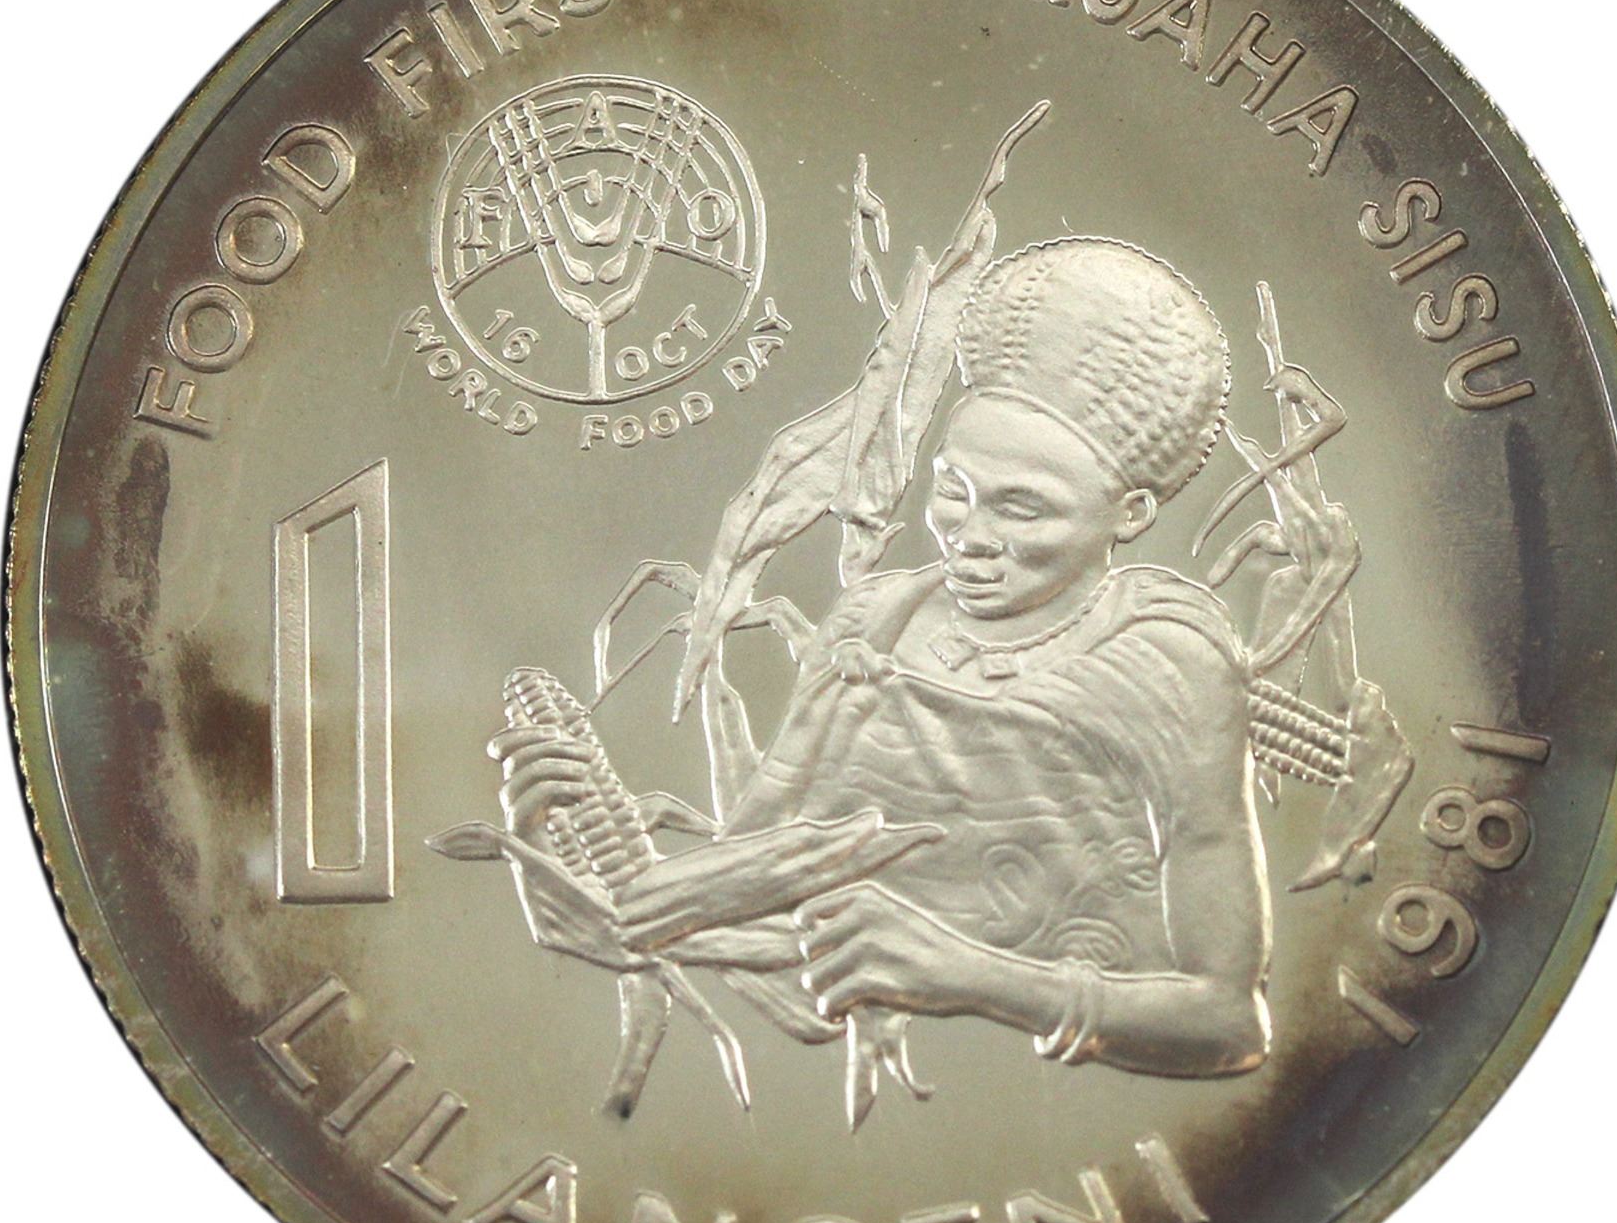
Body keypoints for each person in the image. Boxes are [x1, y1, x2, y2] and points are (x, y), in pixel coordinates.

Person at [503, 236, 1272, 1079]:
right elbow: (752, 873)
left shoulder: (1168, 660)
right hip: (834, 1071)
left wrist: (964, 977)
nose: (969, 538)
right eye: (953, 492)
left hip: (1025, 1098)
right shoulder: (878, 616)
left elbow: (1227, 1020)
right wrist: (569, 865)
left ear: (1130, 513)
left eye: (1023, 510)